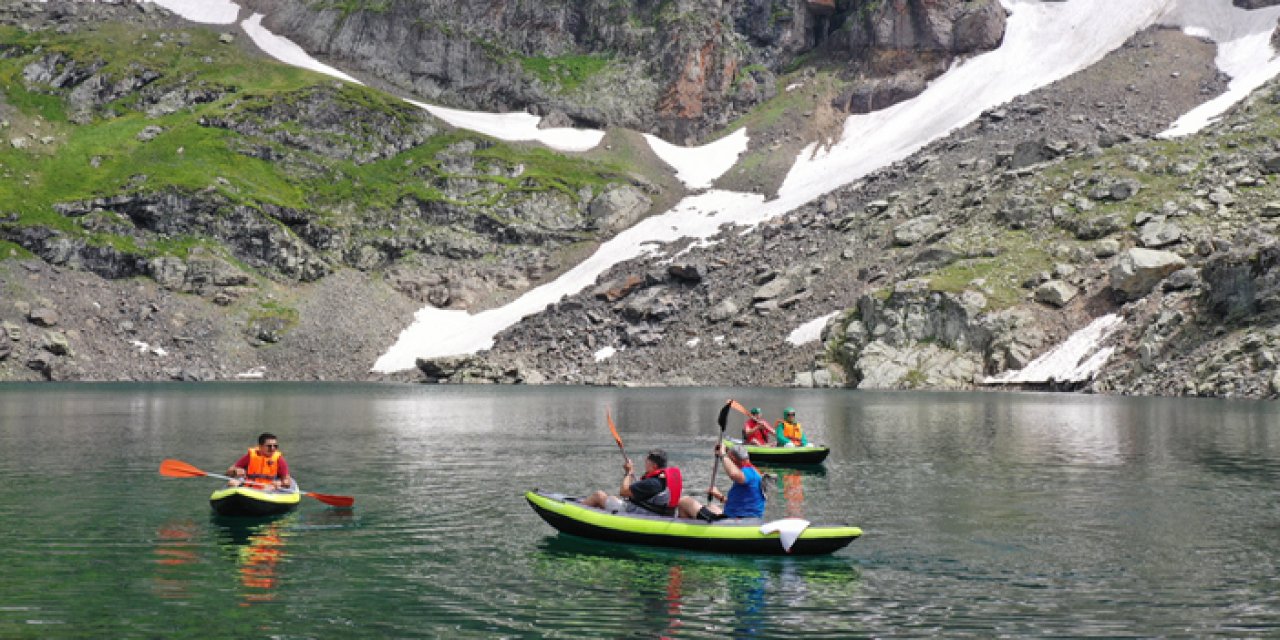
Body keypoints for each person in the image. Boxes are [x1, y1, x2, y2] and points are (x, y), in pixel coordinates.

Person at [677, 443, 765, 521]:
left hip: (736, 521)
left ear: (733, 459)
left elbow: (733, 474)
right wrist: (720, 496)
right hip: (742, 517)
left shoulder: (749, 472)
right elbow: (740, 503)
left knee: (684, 501)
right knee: (711, 507)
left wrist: (723, 454)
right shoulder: (754, 472)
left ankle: (685, 531)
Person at [583, 449, 683, 516]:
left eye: (646, 462)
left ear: (654, 466)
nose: (645, 464)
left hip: (640, 514)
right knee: (613, 498)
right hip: (654, 512)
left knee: (599, 495)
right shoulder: (663, 480)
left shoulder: (652, 483)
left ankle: (577, 515)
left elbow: (623, 491)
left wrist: (629, 472)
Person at [227, 432, 292, 489]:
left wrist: (280, 483)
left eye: (275, 446)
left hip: (269, 488)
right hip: (249, 487)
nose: (272, 448)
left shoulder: (279, 460)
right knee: (232, 483)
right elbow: (228, 472)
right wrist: (235, 471)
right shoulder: (250, 457)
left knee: (270, 488)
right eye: (269, 446)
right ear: (260, 446)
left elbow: (287, 481)